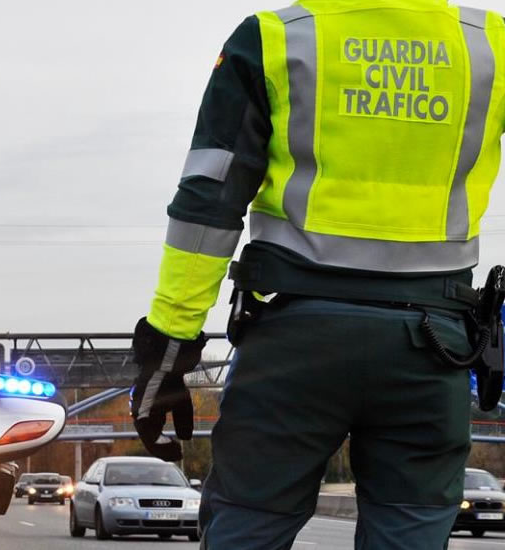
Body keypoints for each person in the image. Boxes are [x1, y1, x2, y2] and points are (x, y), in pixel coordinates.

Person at [129, 2, 505, 548]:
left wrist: (170, 346)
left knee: (246, 529)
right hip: (433, 350)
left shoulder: (277, 39)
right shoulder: (490, 44)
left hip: (292, 345)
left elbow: (208, 201)